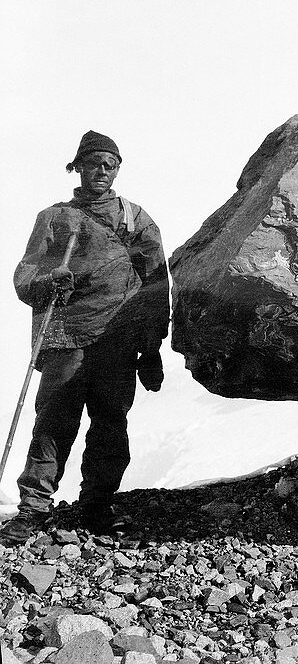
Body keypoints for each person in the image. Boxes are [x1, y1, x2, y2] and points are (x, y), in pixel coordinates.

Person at [1, 131, 169, 543]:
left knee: (111, 424)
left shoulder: (135, 219)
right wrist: (48, 279)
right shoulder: (55, 218)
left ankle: (97, 505)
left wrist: (151, 348)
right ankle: (33, 510)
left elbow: (156, 287)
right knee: (54, 423)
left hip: (118, 340)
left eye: (110, 164)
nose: (103, 170)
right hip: (64, 337)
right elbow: (24, 278)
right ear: (77, 167)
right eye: (94, 162)